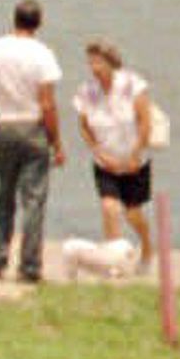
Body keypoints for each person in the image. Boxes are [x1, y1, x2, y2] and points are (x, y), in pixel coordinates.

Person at [0, 0, 67, 283]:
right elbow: (47, 103)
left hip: (3, 126)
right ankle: (29, 265)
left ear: (14, 19)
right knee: (34, 199)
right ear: (38, 23)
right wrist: (57, 142)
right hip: (32, 127)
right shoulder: (43, 55)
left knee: (4, 196)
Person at [71, 39, 163, 268]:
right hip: (105, 162)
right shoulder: (87, 91)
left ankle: (147, 246)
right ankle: (114, 262)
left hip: (134, 161)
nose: (94, 68)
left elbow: (145, 121)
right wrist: (98, 152)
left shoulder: (132, 85)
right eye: (90, 63)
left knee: (133, 213)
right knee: (109, 208)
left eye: (98, 62)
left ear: (111, 63)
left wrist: (135, 153)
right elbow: (83, 125)